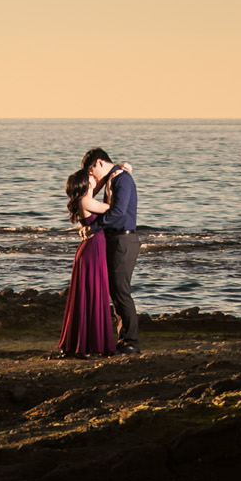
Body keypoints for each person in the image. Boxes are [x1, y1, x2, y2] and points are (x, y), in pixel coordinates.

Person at [76, 147, 139, 352]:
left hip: (124, 239)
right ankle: (123, 339)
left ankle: (130, 342)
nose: (92, 176)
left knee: (121, 290)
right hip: (114, 239)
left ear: (100, 163)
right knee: (115, 290)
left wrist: (94, 227)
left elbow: (119, 213)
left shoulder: (123, 180)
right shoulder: (114, 177)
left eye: (92, 171)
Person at [56, 167, 115, 357]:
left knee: (88, 295)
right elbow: (112, 209)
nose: (94, 177)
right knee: (92, 294)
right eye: (90, 177)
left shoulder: (85, 200)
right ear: (86, 183)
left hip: (90, 248)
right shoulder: (86, 200)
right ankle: (89, 345)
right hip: (92, 250)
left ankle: (84, 343)